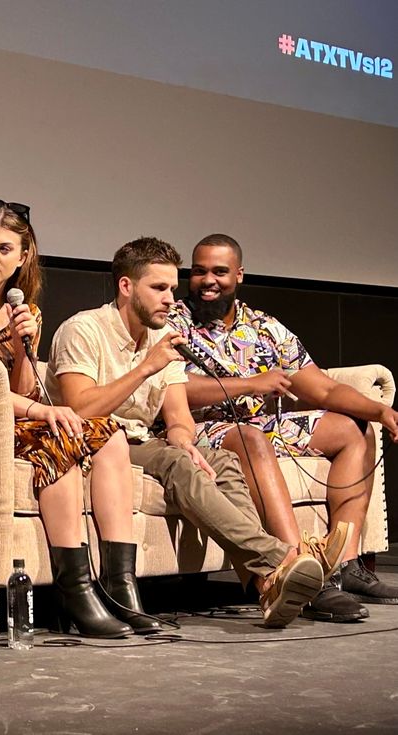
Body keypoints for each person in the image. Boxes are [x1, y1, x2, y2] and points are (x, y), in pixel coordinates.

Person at [47, 236, 337, 628]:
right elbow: (80, 410)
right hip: (99, 442)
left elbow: (179, 416)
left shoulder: (161, 340)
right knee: (175, 463)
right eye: (159, 288)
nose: (170, 298)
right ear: (126, 286)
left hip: (143, 439)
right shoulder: (83, 329)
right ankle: (280, 557)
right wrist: (145, 368)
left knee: (221, 462)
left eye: (171, 287)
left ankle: (265, 583)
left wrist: (186, 440)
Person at [0, 197, 156, 638]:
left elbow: (23, 388)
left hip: (11, 416)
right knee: (58, 433)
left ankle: (122, 585)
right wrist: (44, 410)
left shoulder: (27, 312)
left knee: (109, 435)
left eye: (5, 249)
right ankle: (75, 589)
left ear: (23, 258)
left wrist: (25, 341)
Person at [167, 233, 398, 621]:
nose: (208, 280)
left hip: (265, 424)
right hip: (203, 428)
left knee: (353, 430)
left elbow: (320, 386)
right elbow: (171, 387)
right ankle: (300, 572)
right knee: (251, 437)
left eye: (220, 271)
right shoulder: (173, 320)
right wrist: (251, 384)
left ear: (239, 274)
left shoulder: (264, 326)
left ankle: (344, 565)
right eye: (200, 271)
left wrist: (378, 411)